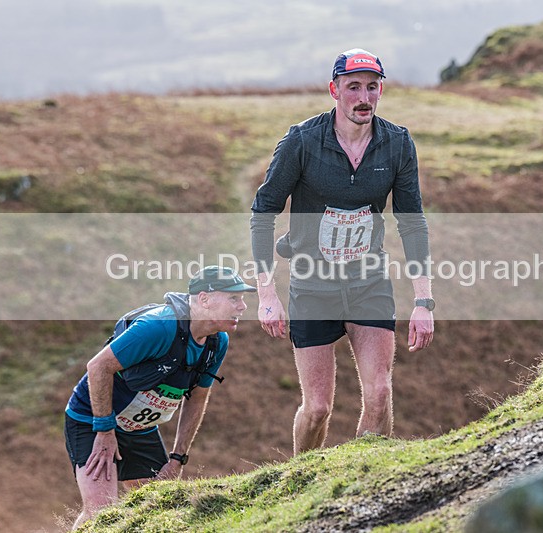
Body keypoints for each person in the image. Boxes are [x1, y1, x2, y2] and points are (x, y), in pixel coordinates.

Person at [250, 48, 435, 454]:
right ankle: (300, 482)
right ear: (335, 90)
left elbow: (412, 222)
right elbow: (262, 212)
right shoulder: (301, 141)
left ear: (381, 90)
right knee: (317, 409)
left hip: (368, 281)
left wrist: (423, 300)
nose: (364, 97)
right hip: (312, 286)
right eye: (354, 87)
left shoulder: (398, 144)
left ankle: (364, 480)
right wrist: (267, 294)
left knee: (381, 393)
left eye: (372, 87)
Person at [64, 266, 255, 529]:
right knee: (101, 514)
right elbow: (98, 367)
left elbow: (198, 397)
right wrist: (105, 430)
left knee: (158, 507)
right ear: (204, 299)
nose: (243, 307)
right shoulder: (158, 327)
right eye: (234, 298)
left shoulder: (216, 342)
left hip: (138, 428)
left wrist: (178, 459)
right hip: (92, 421)